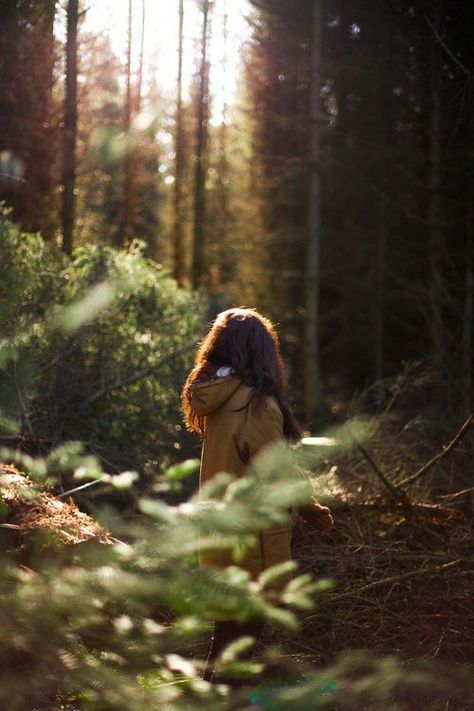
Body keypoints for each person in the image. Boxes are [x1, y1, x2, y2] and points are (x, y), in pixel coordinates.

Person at [181, 307, 333, 685]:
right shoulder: (256, 404)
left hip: (218, 533)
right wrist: (311, 506)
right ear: (262, 352)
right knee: (242, 639)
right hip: (252, 539)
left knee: (227, 637)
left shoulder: (216, 398)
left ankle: (211, 696)